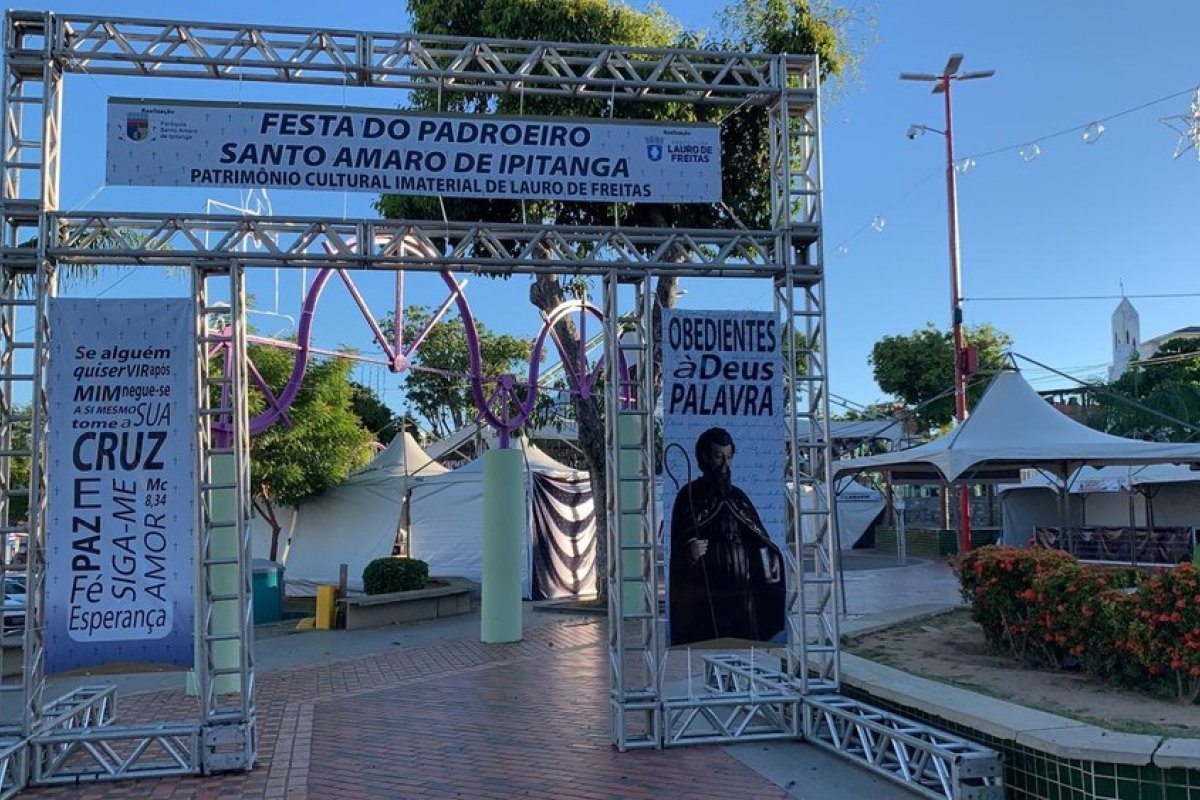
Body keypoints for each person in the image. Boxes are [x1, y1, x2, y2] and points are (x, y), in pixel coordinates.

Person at [668, 427, 785, 646]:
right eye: (718, 456)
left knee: (745, 644)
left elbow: (759, 537)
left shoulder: (738, 496)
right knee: (709, 641)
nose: (724, 464)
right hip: (707, 592)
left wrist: (770, 562)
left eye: (728, 457)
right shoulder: (689, 495)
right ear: (704, 457)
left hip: (743, 590)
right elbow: (679, 540)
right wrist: (689, 549)